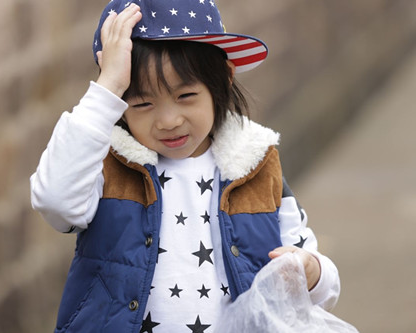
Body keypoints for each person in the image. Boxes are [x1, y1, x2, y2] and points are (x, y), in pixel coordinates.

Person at [30, 0, 341, 332]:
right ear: (121, 105)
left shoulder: (255, 165)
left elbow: (321, 279)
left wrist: (312, 272)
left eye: (186, 96)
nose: (168, 120)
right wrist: (107, 88)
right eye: (143, 102)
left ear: (222, 80)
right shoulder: (105, 167)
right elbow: (55, 201)